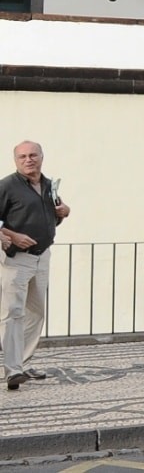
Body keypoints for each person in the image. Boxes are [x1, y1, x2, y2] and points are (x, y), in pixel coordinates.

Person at [1, 141, 71, 391]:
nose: (28, 159)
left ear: (42, 157)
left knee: (36, 312)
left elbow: (55, 212)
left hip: (43, 257)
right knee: (12, 313)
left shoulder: (50, 185)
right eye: (22, 156)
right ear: (15, 160)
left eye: (33, 155)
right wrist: (11, 235)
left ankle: (23, 363)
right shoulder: (7, 186)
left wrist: (65, 211)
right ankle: (13, 371)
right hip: (16, 259)